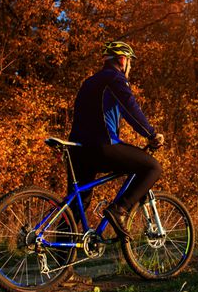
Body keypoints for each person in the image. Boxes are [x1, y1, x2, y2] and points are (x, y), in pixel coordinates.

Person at [68, 40, 164, 240]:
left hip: (77, 149)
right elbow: (131, 110)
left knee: (76, 205)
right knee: (153, 167)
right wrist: (151, 134)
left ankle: (62, 269)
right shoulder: (115, 79)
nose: (130, 66)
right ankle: (120, 210)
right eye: (130, 61)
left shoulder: (89, 81)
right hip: (102, 147)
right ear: (122, 60)